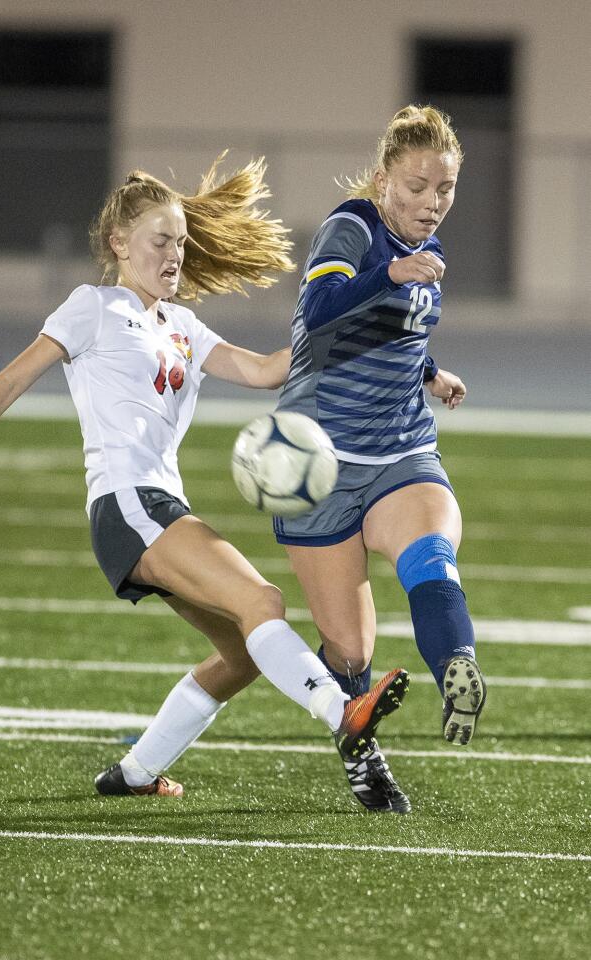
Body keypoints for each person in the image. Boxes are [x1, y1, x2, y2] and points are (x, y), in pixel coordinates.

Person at [0, 156, 410, 812]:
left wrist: (360, 328)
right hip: (126, 504)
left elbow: (264, 371)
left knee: (241, 651)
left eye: (180, 242)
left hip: (159, 506)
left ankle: (137, 771)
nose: (175, 254)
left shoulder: (181, 325)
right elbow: (9, 379)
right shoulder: (93, 307)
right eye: (159, 240)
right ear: (119, 244)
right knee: (262, 603)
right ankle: (344, 714)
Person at [273, 105, 487, 810]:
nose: (433, 203)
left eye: (446, 189)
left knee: (430, 550)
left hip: (400, 449)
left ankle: (458, 664)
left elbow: (397, 332)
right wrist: (391, 273)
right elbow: (324, 309)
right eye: (418, 186)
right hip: (319, 463)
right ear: (383, 177)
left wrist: (432, 374)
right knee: (352, 654)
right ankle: (361, 754)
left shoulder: (428, 253)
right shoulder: (351, 228)